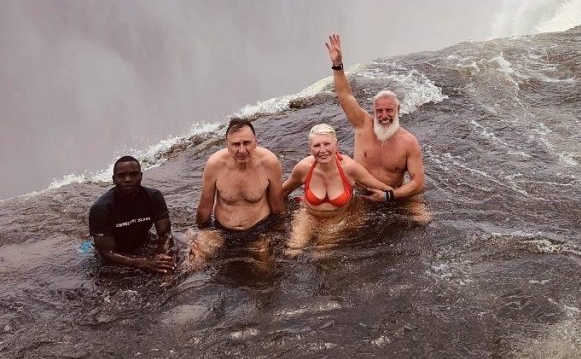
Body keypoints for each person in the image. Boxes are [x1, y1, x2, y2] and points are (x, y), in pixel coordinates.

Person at [324, 33, 427, 209]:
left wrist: (389, 195)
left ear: (398, 110)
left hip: (392, 194)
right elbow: (344, 95)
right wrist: (337, 65)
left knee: (424, 220)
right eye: (379, 111)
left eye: (389, 110)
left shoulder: (408, 142)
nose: (384, 115)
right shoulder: (362, 124)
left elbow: (418, 183)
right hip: (361, 193)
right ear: (373, 111)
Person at [282, 123, 393, 254]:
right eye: (316, 145)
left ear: (336, 145)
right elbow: (283, 191)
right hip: (308, 215)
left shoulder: (350, 168)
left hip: (337, 219)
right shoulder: (303, 168)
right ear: (310, 149)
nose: (322, 150)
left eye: (327, 144)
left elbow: (385, 188)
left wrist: (388, 196)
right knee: (292, 251)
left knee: (320, 255)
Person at [189, 117, 284, 263]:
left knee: (265, 269)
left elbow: (277, 206)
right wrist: (200, 232)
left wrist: (277, 233)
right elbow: (205, 206)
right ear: (227, 145)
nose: (242, 150)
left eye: (246, 143)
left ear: (255, 142)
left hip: (259, 229)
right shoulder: (215, 164)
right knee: (195, 261)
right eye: (235, 144)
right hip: (222, 229)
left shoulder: (269, 162)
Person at [89, 156, 175, 274]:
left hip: (143, 241)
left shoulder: (154, 197)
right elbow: (108, 253)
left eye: (133, 174)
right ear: (114, 179)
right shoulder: (101, 208)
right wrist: (147, 262)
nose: (128, 179)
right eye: (122, 175)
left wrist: (161, 260)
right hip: (114, 254)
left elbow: (166, 234)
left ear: (141, 176)